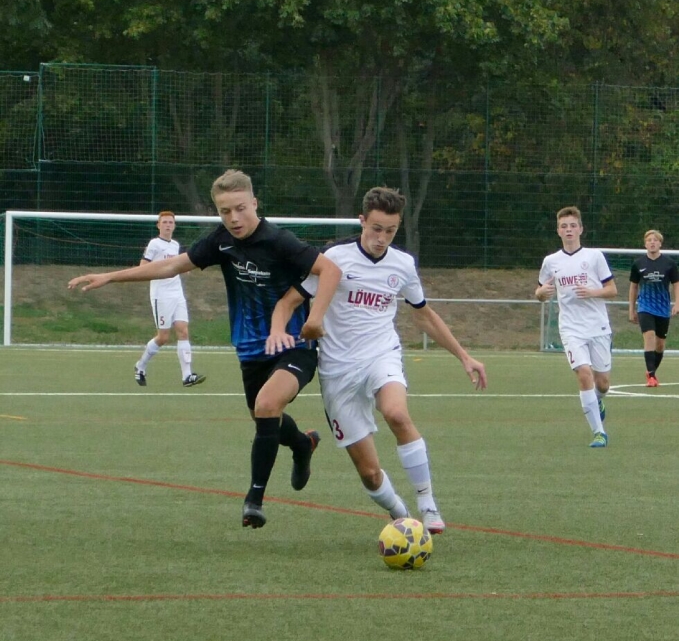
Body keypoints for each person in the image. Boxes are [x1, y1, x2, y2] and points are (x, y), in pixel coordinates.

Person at [69, 170, 342, 529]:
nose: (234, 218)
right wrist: (109, 277)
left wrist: (315, 318)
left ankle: (254, 501)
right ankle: (303, 445)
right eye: (225, 211)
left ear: (254, 203)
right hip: (250, 349)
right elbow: (171, 265)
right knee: (264, 416)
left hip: (293, 344)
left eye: (240, 208)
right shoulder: (221, 241)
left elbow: (330, 270)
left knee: (266, 405)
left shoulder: (279, 241)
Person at [267, 186, 487, 535]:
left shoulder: (402, 265)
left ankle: (428, 503)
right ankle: (402, 516)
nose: (382, 238)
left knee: (396, 413)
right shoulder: (334, 259)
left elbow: (424, 315)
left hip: (381, 355)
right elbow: (288, 301)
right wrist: (278, 330)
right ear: (362, 221)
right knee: (370, 473)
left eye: (390, 231)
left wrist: (464, 356)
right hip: (337, 370)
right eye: (376, 229)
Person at [535, 206, 617, 448]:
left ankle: (598, 400)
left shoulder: (594, 257)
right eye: (564, 226)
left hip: (598, 326)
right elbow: (539, 292)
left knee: (602, 384)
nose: (568, 230)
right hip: (571, 328)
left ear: (581, 229)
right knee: (584, 374)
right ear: (558, 231)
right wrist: (541, 293)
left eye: (572, 226)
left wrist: (592, 292)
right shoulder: (551, 262)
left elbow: (612, 290)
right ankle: (599, 433)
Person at [134, 210, 205, 388]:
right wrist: (161, 270)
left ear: (174, 226)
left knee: (183, 331)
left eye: (170, 222)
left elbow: (177, 265)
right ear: (158, 225)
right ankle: (140, 366)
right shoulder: (154, 244)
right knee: (163, 337)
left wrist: (184, 269)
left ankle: (187, 375)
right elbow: (142, 267)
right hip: (161, 295)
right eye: (164, 222)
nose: (167, 225)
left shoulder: (175, 245)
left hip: (177, 293)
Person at [628, 229, 679, 387]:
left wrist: (677, 303)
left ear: (660, 243)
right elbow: (633, 287)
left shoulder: (669, 264)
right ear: (645, 244)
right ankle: (651, 376)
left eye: (655, 240)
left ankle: (652, 371)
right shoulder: (638, 264)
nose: (652, 242)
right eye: (649, 240)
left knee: (660, 344)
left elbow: (676, 284)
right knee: (649, 336)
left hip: (663, 308)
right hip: (645, 307)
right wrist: (631, 309)